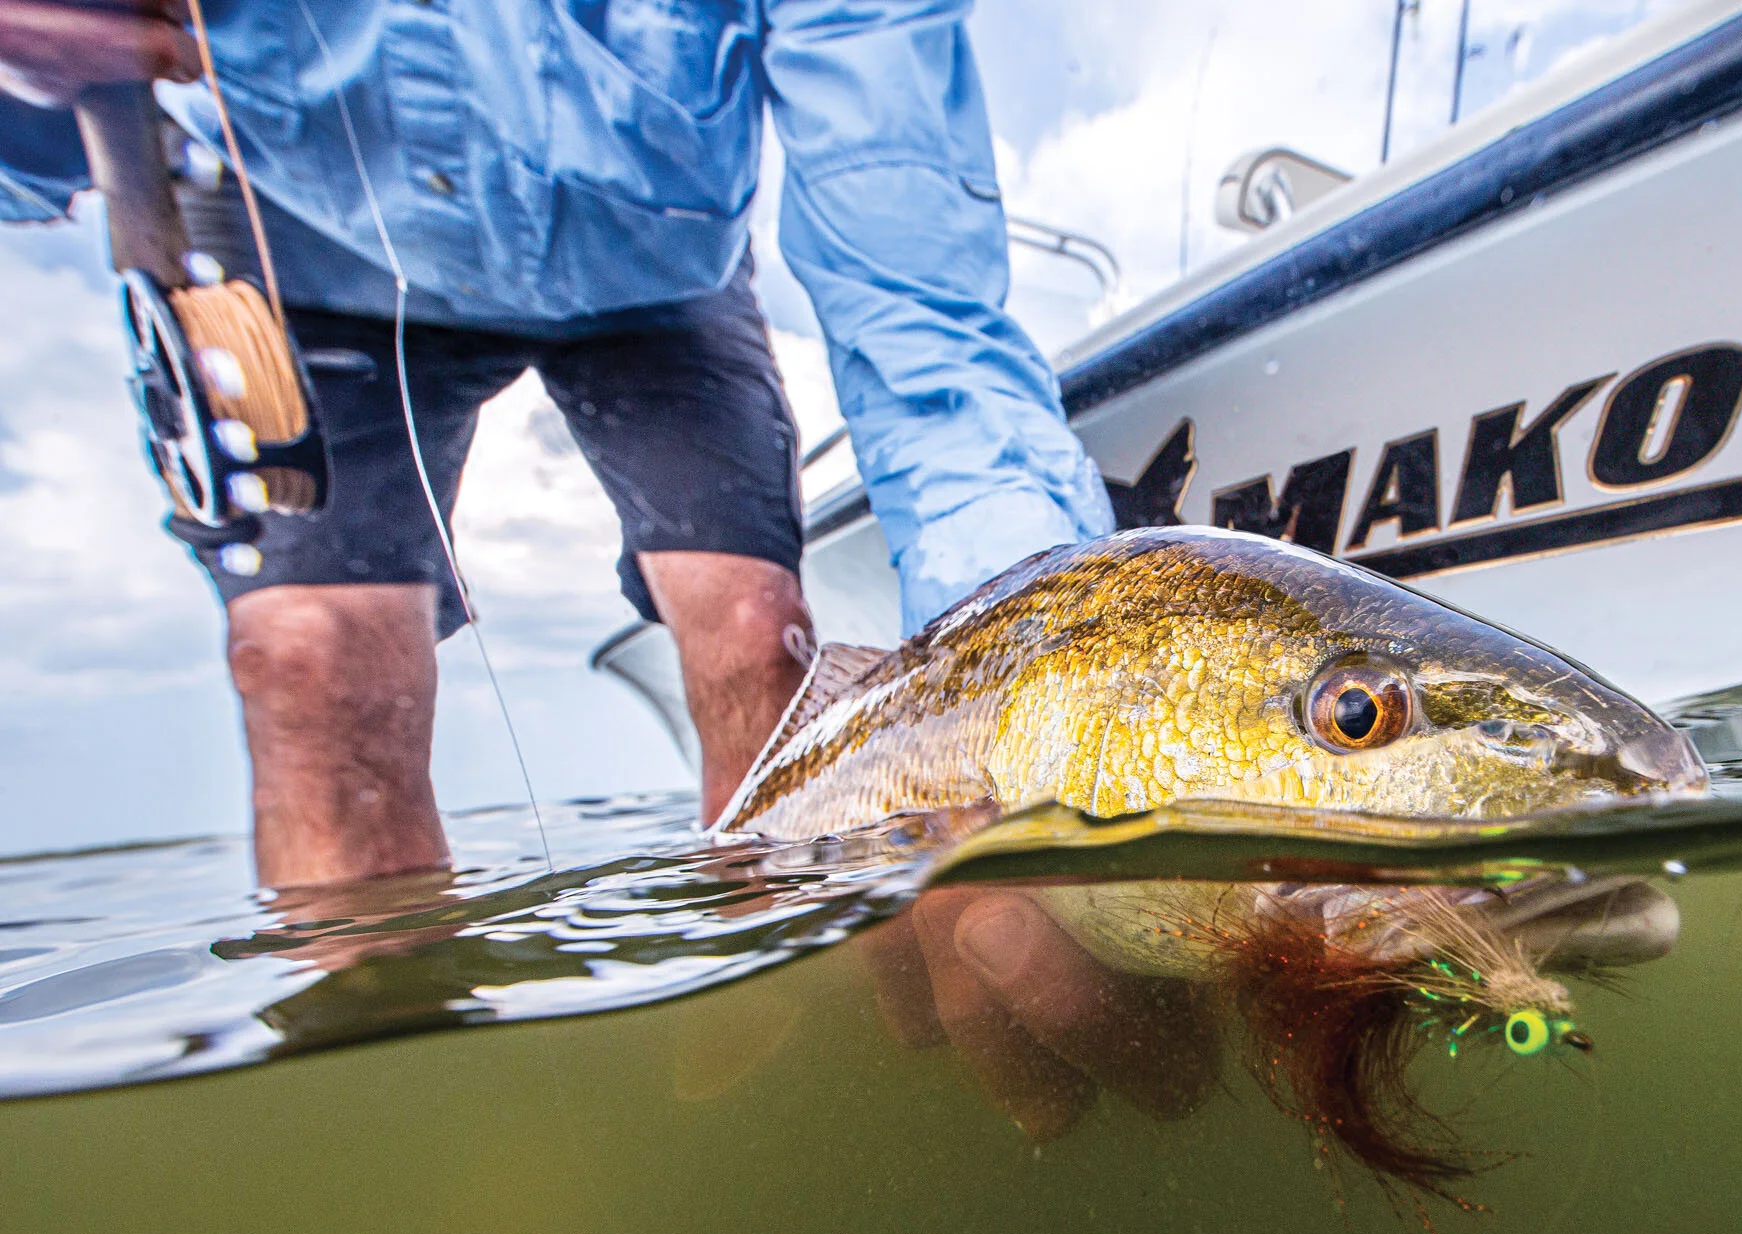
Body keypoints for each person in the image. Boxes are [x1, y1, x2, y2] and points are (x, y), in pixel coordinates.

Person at [0, 0, 1113, 887]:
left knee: (750, 630)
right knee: (310, 661)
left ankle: (788, 1009)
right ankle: (382, 1107)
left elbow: (917, 302)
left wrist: (1039, 671)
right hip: (307, 246)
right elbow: (32, 163)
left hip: (655, 258)